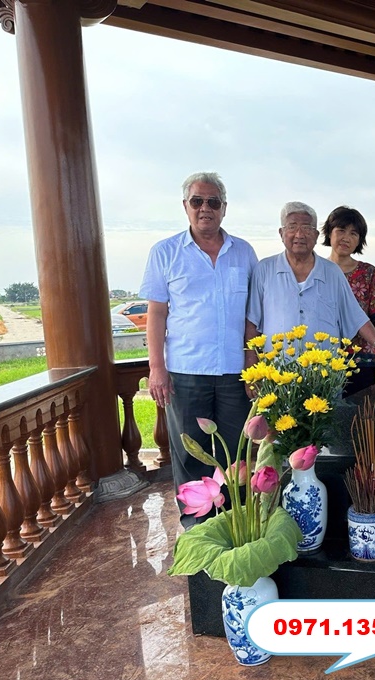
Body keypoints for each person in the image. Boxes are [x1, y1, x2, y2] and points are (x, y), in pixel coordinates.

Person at [141, 171, 257, 528]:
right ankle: (198, 529)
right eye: (197, 201)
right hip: (186, 371)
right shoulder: (165, 252)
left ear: (224, 208)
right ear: (185, 206)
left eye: (213, 202)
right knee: (191, 453)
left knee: (237, 453)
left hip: (235, 371)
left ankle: (237, 523)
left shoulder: (243, 252)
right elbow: (156, 314)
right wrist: (156, 368)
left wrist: (252, 360)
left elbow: (252, 313)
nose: (205, 208)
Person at [245, 202, 375, 377]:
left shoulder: (333, 272)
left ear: (315, 235)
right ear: (281, 233)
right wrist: (252, 372)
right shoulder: (264, 270)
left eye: (306, 228)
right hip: (278, 376)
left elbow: (356, 316)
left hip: (325, 377)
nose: (299, 234)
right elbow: (252, 323)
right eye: (292, 227)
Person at [321, 205, 375, 395]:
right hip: (322, 358)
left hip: (361, 358)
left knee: (361, 410)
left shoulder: (367, 272)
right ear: (329, 233)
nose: (346, 238)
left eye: (353, 233)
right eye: (341, 230)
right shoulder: (316, 270)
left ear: (359, 240)